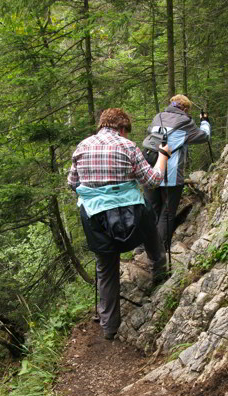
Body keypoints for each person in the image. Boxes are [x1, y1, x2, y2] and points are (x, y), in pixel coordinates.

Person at [68, 108, 171, 340]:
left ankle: (109, 326)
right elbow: (153, 181)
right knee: (153, 237)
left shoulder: (81, 147)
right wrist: (163, 155)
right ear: (122, 128)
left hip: (96, 219)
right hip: (132, 214)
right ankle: (161, 279)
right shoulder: (128, 146)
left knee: (106, 270)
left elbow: (72, 183)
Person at [141, 94, 211, 252]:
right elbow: (204, 137)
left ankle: (143, 248)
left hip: (150, 171)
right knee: (166, 214)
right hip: (170, 175)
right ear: (185, 108)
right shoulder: (185, 122)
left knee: (152, 211)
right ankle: (158, 253)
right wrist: (205, 121)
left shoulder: (157, 117)